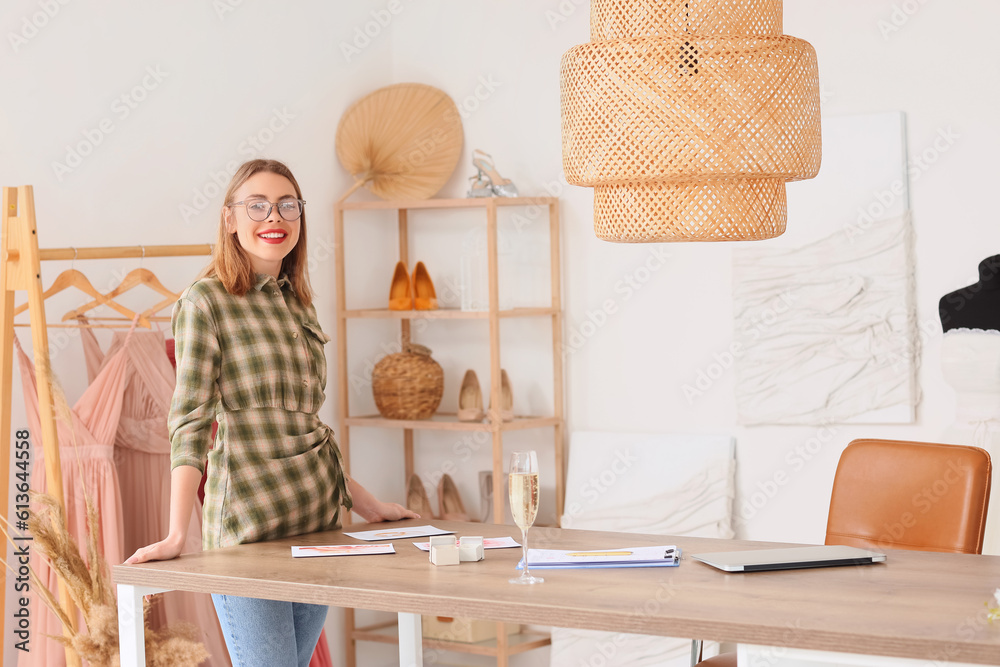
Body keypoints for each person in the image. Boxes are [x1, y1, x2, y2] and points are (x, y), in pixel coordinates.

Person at [125, 158, 418, 666]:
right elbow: (190, 420)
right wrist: (178, 533)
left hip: (318, 521)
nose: (273, 217)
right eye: (256, 205)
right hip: (248, 528)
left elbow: (306, 426)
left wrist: (367, 505)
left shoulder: (298, 301)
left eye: (287, 205)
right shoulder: (205, 301)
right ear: (229, 219)